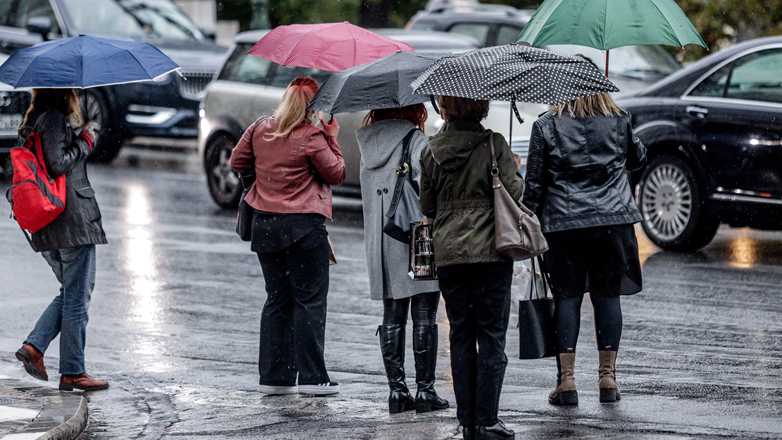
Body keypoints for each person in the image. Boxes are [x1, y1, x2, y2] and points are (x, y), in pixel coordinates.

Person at [522, 92, 646, 405]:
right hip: (612, 222)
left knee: (567, 297)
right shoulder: (619, 119)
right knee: (607, 296)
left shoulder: (546, 125)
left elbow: (535, 184)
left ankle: (567, 383)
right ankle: (607, 379)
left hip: (564, 225)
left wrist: (525, 221)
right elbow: (638, 160)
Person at [230, 77, 345, 396]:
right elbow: (336, 173)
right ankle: (312, 378)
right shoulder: (312, 136)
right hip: (304, 228)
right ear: (313, 107)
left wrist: (266, 172)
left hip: (265, 226)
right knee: (309, 301)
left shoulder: (259, 127)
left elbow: (236, 161)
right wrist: (331, 137)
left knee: (277, 299)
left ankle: (274, 376)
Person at [420, 96, 523, 440]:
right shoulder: (494, 143)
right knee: (492, 336)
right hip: (492, 252)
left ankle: (467, 422)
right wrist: (513, 166)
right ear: (480, 106)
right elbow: (515, 192)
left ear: (445, 108)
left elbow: (428, 204)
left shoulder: (431, 149)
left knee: (461, 334)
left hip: (449, 254)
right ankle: (488, 420)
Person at [9, 88, 109, 391]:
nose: (77, 95)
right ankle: (73, 371)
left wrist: (76, 135)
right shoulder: (52, 119)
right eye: (74, 91)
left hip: (51, 222)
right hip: (70, 221)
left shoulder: (35, 121)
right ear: (64, 93)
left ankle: (35, 347)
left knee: (71, 291)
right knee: (77, 297)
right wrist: (86, 140)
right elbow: (57, 163)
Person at [356, 104, 449, 414]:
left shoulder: (367, 144)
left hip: (382, 240)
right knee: (424, 313)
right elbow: (430, 191)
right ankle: (425, 391)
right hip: (416, 236)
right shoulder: (416, 141)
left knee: (392, 314)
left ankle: (397, 392)